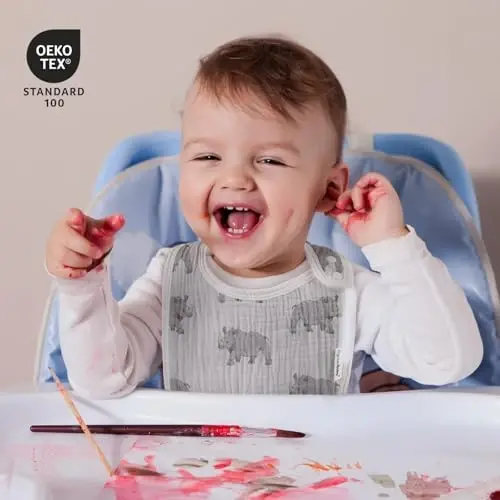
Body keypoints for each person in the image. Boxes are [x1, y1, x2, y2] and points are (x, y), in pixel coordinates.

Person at [45, 35, 483, 399]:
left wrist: (392, 245)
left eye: (270, 160)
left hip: (322, 469)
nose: (234, 178)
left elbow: (447, 362)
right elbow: (103, 380)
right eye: (208, 156)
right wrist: (82, 286)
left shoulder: (348, 291)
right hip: (198, 470)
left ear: (328, 188)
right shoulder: (169, 282)